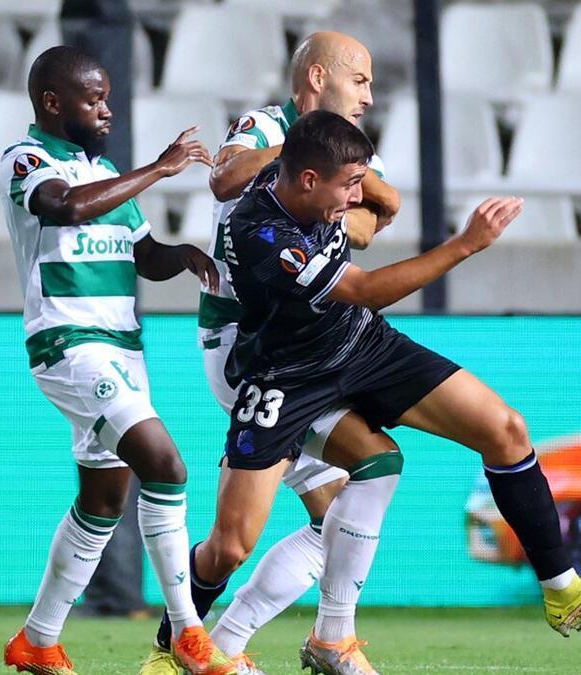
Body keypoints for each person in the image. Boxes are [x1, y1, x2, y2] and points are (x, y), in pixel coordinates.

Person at [198, 111, 581, 675]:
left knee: (502, 430)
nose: (354, 196)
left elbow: (365, 227)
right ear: (310, 180)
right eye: (348, 186)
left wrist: (373, 195)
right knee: (230, 545)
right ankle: (178, 649)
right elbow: (362, 289)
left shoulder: (319, 185)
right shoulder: (260, 230)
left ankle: (562, 590)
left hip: (361, 345)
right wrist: (465, 244)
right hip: (287, 378)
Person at [142, 32, 400, 675]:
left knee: (334, 511)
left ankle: (208, 647)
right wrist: (304, 146)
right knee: (256, 536)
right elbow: (226, 178)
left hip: (303, 350)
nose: (369, 95)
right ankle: (196, 649)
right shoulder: (267, 125)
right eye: (360, 79)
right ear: (318, 77)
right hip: (247, 346)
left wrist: (347, 195)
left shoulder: (347, 154)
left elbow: (379, 213)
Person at [0, 45, 237, 675]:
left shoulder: (106, 175)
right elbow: (66, 207)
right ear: (54, 102)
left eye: (107, 96)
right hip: (68, 346)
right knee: (167, 465)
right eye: (94, 98)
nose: (107, 109)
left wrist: (182, 254)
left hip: (122, 353)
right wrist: (160, 169)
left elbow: (143, 255)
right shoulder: (27, 160)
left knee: (103, 502)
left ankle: (38, 640)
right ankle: (189, 633)